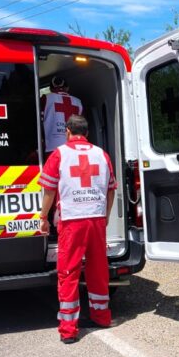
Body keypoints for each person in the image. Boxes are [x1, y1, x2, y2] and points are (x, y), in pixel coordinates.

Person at [39, 115, 116, 344]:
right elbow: (111, 189)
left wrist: (43, 217)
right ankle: (101, 316)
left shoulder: (59, 154)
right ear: (87, 133)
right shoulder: (102, 154)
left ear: (67, 132)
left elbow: (49, 190)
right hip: (96, 218)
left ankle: (69, 330)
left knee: (68, 272)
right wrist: (106, 215)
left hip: (72, 220)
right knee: (98, 268)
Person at [42, 76, 83, 154]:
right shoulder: (78, 102)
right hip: (74, 146)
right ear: (67, 88)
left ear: (50, 89)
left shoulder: (45, 99)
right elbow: (82, 125)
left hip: (52, 147)